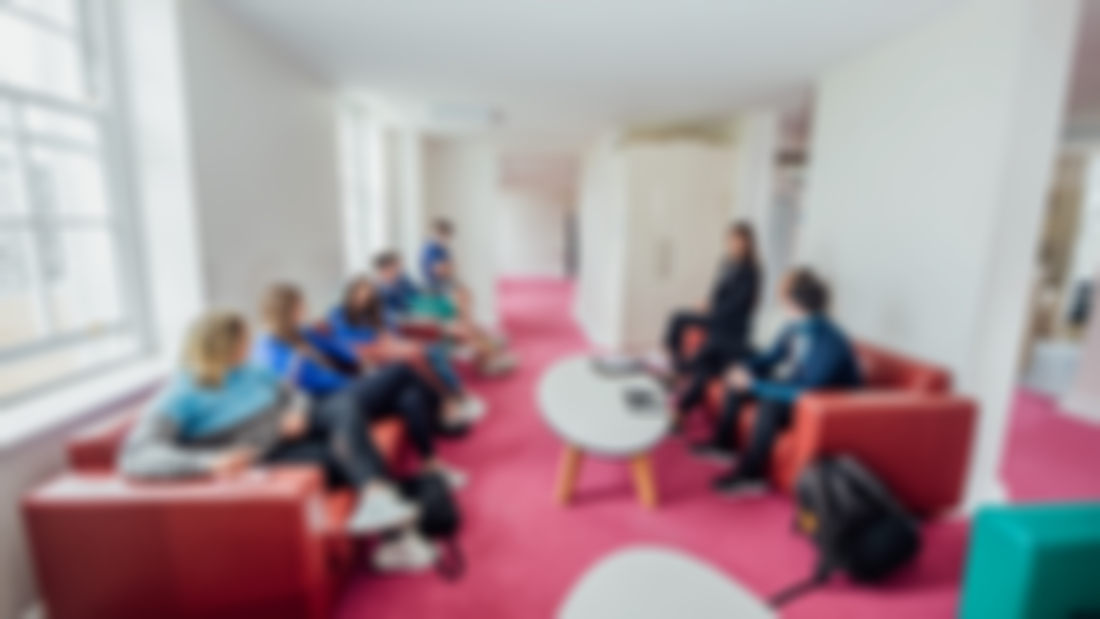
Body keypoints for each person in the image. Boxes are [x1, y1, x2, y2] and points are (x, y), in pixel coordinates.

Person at [118, 311, 437, 572]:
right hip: (263, 456)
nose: (251, 345)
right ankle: (394, 536)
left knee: (345, 408)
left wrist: (297, 411)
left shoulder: (251, 369)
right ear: (222, 346)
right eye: (244, 340)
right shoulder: (180, 393)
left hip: (289, 433)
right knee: (344, 454)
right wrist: (208, 462)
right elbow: (136, 455)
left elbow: (295, 394)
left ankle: (379, 502)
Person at [252, 283, 468, 489]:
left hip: (345, 389)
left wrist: (356, 359)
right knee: (402, 371)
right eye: (301, 305)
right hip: (327, 404)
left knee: (408, 396)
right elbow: (307, 385)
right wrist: (357, 381)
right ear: (287, 310)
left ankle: (432, 465)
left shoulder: (302, 332)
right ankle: (444, 407)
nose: (306, 308)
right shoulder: (269, 349)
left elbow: (337, 346)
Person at [694, 268, 863, 497]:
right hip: (801, 389)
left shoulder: (832, 340)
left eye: (788, 306)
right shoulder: (793, 327)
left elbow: (806, 391)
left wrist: (754, 386)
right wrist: (745, 368)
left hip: (826, 405)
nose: (785, 310)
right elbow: (771, 357)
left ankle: (751, 477)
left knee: (769, 404)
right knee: (738, 381)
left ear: (797, 307)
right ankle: (724, 446)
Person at [328, 275, 486, 429]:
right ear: (351, 293)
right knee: (416, 354)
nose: (364, 297)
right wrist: (375, 335)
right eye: (360, 293)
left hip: (385, 344)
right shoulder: (337, 312)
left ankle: (454, 394)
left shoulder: (373, 309)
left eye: (368, 293)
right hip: (367, 350)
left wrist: (383, 334)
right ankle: (445, 401)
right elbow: (344, 336)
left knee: (431, 351)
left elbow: (390, 328)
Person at [665, 222, 762, 420]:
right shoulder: (726, 262)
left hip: (732, 326)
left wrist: (712, 309)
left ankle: (679, 401)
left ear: (747, 243)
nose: (733, 244)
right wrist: (706, 302)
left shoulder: (751, 270)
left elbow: (738, 304)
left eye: (738, 240)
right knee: (677, 317)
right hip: (715, 317)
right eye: (731, 239)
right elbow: (716, 292)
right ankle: (677, 367)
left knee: (704, 367)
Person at [381, 249, 518, 377]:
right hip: (416, 324)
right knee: (461, 329)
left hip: (426, 314)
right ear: (385, 270)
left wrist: (439, 301)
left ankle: (488, 355)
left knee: (462, 313)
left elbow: (419, 292)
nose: (400, 270)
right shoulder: (382, 292)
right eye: (396, 267)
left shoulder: (403, 279)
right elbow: (395, 318)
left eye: (399, 266)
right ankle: (486, 359)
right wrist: (426, 316)